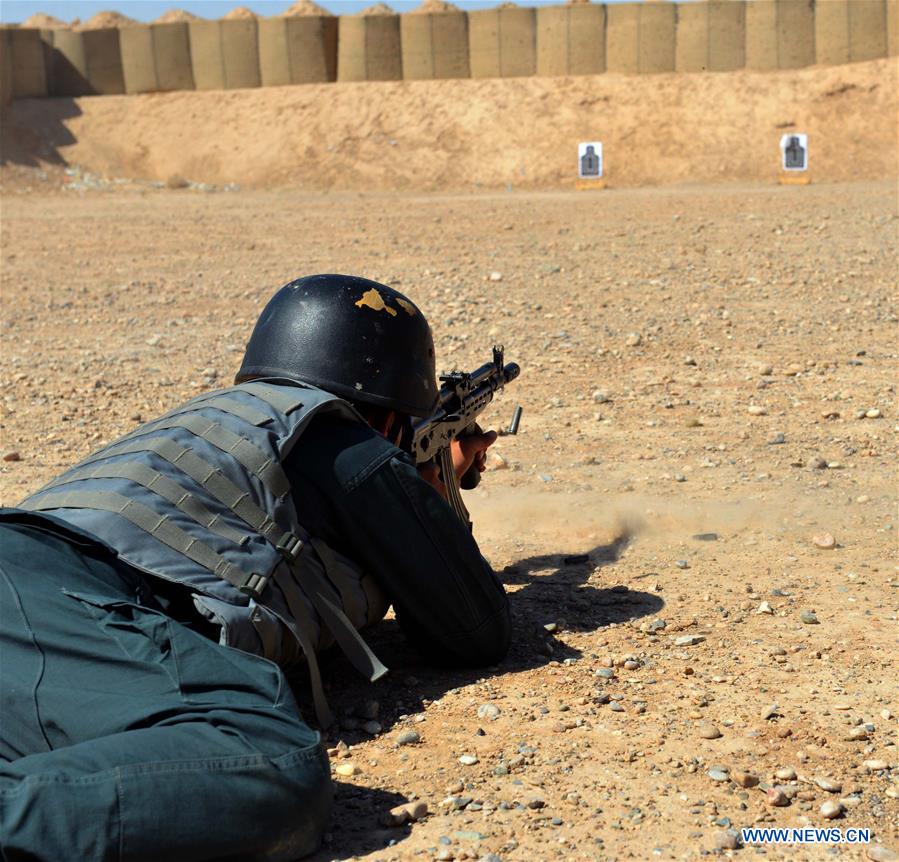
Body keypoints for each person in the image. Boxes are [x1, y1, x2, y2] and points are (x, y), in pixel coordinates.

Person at [0, 274, 510, 862]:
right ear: (394, 414)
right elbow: (474, 629)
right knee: (266, 758)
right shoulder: (348, 445)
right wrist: (430, 497)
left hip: (31, 575)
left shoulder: (211, 424)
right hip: (65, 602)